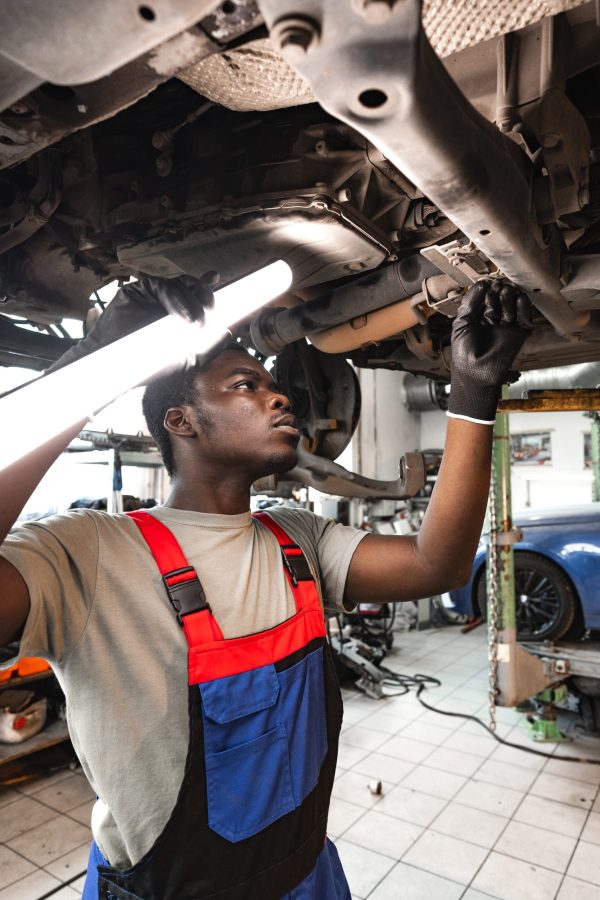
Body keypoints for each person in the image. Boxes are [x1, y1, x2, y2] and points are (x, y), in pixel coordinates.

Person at [0, 275, 531, 899]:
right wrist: (99, 361)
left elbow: (434, 564)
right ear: (181, 421)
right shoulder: (90, 550)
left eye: (274, 385)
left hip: (304, 878)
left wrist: (472, 393)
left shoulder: (295, 537)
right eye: (246, 387)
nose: (280, 400)